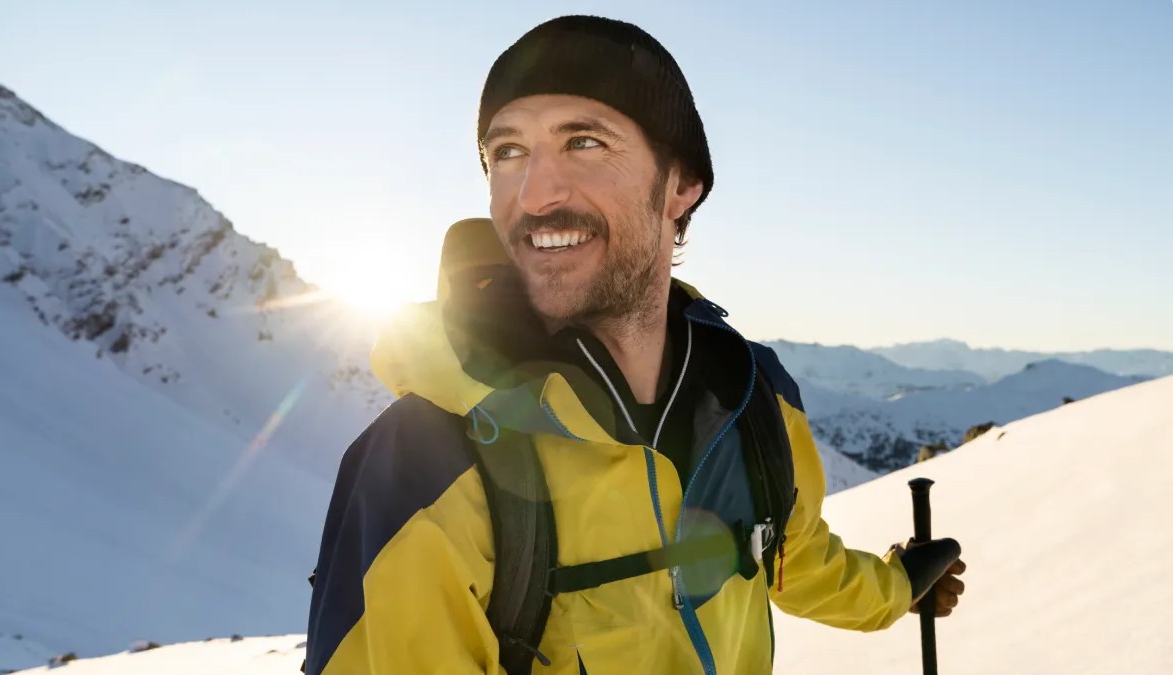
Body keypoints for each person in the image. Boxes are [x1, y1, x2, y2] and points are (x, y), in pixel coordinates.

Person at [305, 15, 965, 675]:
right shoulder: (425, 462)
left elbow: (797, 561)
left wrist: (899, 588)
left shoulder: (753, 398)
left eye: (584, 142)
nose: (534, 194)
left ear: (681, 185)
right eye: (507, 152)